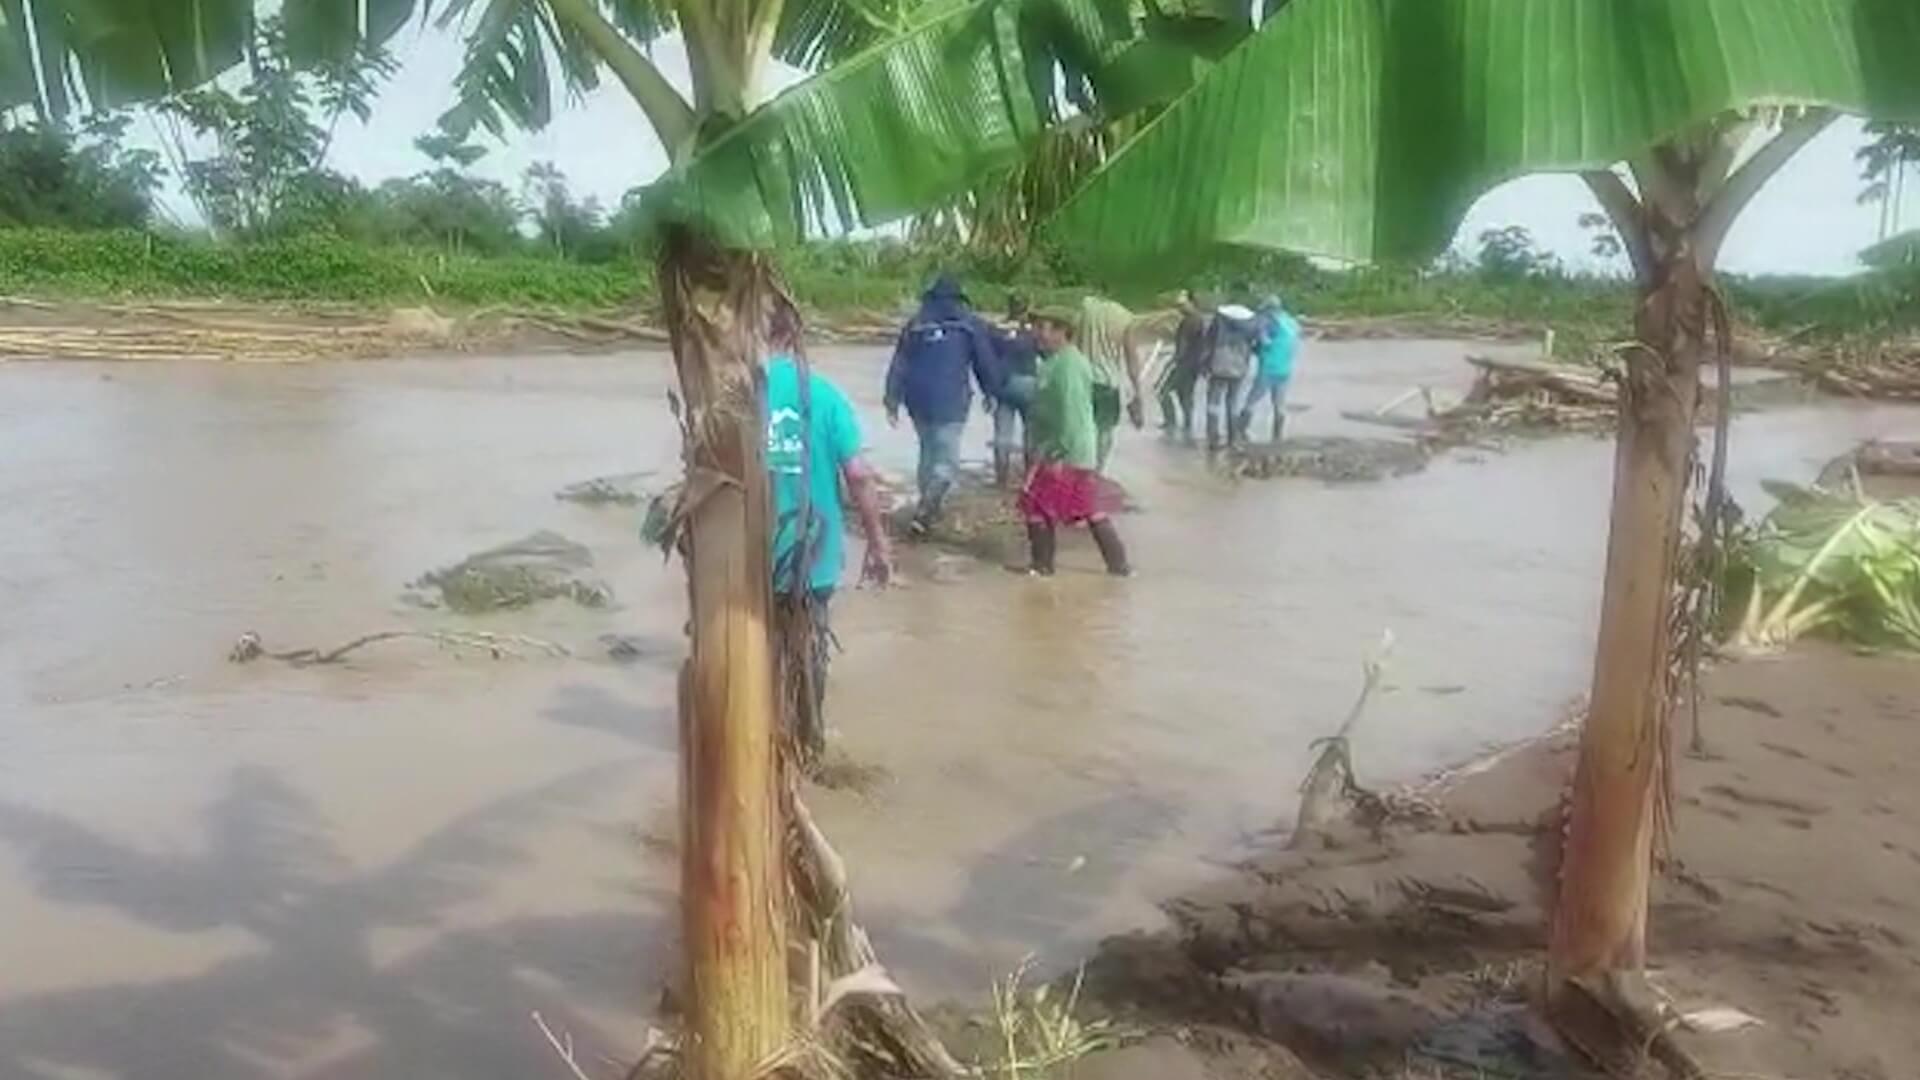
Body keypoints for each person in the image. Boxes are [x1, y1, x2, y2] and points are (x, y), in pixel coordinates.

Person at [765, 315, 893, 763]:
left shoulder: (736, 396)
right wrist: (877, 541)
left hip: (744, 556)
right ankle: (808, 742)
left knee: (756, 649)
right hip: (810, 552)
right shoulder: (825, 394)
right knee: (809, 646)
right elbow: (857, 474)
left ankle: (756, 744)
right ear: (798, 340)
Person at [1018, 306, 1132, 577]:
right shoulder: (1059, 361)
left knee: (1036, 503)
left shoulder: (1067, 365)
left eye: (1043, 328)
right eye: (1037, 327)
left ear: (1062, 332)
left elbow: (1070, 413)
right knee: (1087, 507)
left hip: (1066, 450)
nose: (1038, 334)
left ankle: (1042, 566)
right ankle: (1119, 568)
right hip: (1072, 449)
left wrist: (1058, 454)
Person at [884, 274, 1001, 533]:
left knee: (928, 452)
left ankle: (929, 507)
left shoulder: (916, 325)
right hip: (951, 401)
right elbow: (984, 361)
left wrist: (892, 399)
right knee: (947, 461)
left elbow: (899, 364)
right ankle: (926, 509)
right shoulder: (968, 325)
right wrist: (991, 392)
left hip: (917, 401)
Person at [1077, 293, 1146, 472]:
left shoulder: (1086, 306)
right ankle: (1097, 472)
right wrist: (1137, 391)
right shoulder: (1125, 318)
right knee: (1104, 432)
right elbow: (1131, 357)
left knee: (1082, 429)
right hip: (1108, 383)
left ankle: (1080, 470)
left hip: (1082, 379)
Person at [987, 294, 1040, 488]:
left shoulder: (997, 329)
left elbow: (989, 359)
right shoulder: (1034, 331)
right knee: (1031, 433)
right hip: (1028, 382)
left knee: (1002, 434)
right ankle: (1029, 479)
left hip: (1004, 384)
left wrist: (989, 389)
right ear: (1026, 308)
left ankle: (1001, 479)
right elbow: (1046, 353)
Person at [1239, 295, 1302, 444]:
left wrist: (1254, 348)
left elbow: (1264, 342)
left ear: (1269, 309)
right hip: (1286, 368)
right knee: (1279, 405)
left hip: (1269, 367)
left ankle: (1240, 431)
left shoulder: (1271, 323)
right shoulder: (1292, 322)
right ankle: (1277, 436)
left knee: (1251, 401)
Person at [1204, 299, 1262, 451]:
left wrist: (1204, 362)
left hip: (1219, 362)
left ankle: (1213, 438)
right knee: (1233, 402)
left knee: (1213, 402)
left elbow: (1209, 340)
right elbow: (1258, 343)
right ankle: (1233, 439)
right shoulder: (1252, 320)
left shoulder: (1220, 317)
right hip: (1240, 365)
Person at [1155, 289, 1210, 441]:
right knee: (1185, 395)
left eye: (1182, 305)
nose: (1179, 308)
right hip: (1194, 364)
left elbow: (1183, 346)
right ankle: (1187, 426)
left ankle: (1171, 423)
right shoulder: (1198, 319)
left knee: (1162, 391)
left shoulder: (1190, 321)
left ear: (1191, 303)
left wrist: (1171, 361)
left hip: (1184, 363)